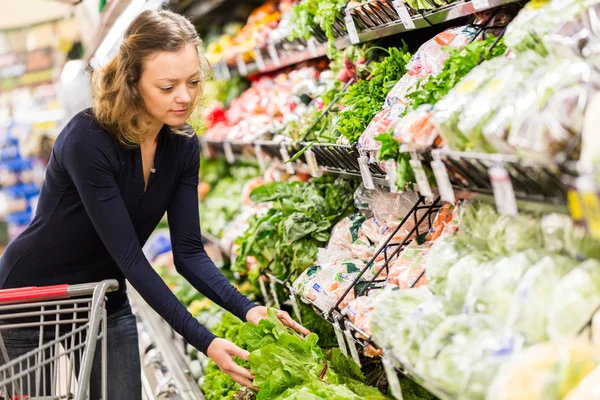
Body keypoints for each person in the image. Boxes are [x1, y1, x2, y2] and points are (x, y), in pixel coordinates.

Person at [0, 9, 308, 399]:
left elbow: (189, 253)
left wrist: (249, 309)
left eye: (193, 82)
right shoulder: (88, 138)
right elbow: (131, 258)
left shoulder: (182, 146)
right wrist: (207, 341)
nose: (184, 97)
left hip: (104, 297)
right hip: (34, 300)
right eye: (167, 87)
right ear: (133, 83)